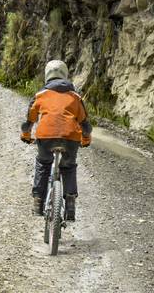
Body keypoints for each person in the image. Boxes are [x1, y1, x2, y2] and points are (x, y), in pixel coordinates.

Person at [20, 60, 92, 221]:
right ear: (65, 75)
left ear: (47, 76)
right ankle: (71, 205)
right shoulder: (75, 97)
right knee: (69, 166)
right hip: (70, 138)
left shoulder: (40, 96)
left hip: (45, 137)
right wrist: (86, 138)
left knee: (43, 164)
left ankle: (38, 203)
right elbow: (85, 124)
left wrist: (26, 135)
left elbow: (29, 121)